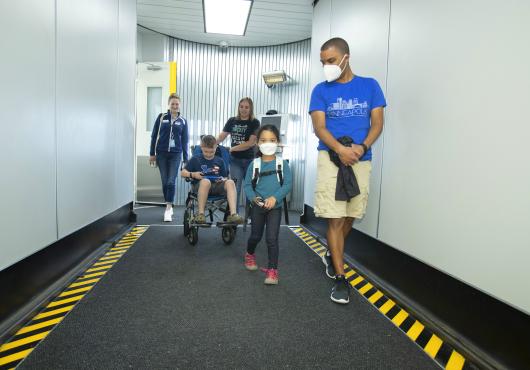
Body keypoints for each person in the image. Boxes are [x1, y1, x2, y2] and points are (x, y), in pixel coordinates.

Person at [309, 37, 386, 304]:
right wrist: (340, 150)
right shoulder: (320, 90)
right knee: (335, 217)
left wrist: (361, 147)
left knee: (352, 214)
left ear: (345, 58)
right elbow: (319, 127)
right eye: (323, 62)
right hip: (330, 157)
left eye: (330, 61)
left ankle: (332, 252)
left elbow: (377, 123)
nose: (326, 66)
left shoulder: (370, 86)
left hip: (360, 157)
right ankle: (342, 279)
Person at [243, 125, 292, 285]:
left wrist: (275, 198)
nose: (268, 143)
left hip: (274, 208)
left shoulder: (282, 164)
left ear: (278, 142)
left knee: (272, 238)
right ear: (257, 143)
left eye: (272, 140)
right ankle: (250, 254)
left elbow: (287, 185)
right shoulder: (254, 164)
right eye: (263, 140)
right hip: (257, 207)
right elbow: (247, 186)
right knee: (255, 236)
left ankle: (272, 271)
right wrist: (254, 198)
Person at [181, 135, 244, 225]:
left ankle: (233, 214)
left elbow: (225, 177)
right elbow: (183, 172)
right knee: (206, 182)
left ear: (216, 147)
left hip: (216, 186)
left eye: (212, 152)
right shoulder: (195, 159)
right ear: (201, 147)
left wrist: (222, 179)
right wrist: (193, 174)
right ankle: (201, 214)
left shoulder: (220, 160)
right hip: (200, 186)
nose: (208, 154)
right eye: (206, 151)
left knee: (230, 182)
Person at [150, 93, 189, 222]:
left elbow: (185, 141)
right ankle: (169, 203)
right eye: (172, 103)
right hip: (161, 154)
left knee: (171, 181)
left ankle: (168, 207)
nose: (175, 106)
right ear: (169, 104)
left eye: (177, 104)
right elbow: (154, 136)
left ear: (180, 105)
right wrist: (152, 154)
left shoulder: (183, 121)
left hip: (176, 155)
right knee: (165, 181)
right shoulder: (161, 118)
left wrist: (186, 159)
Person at [217, 97, 260, 211]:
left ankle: (250, 216)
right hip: (235, 161)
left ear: (250, 108)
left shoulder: (254, 122)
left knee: (250, 189)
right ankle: (233, 215)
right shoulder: (232, 121)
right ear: (238, 107)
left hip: (250, 161)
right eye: (241, 107)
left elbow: (251, 143)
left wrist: (233, 148)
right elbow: (222, 136)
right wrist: (212, 143)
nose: (243, 109)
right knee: (235, 188)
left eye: (246, 107)